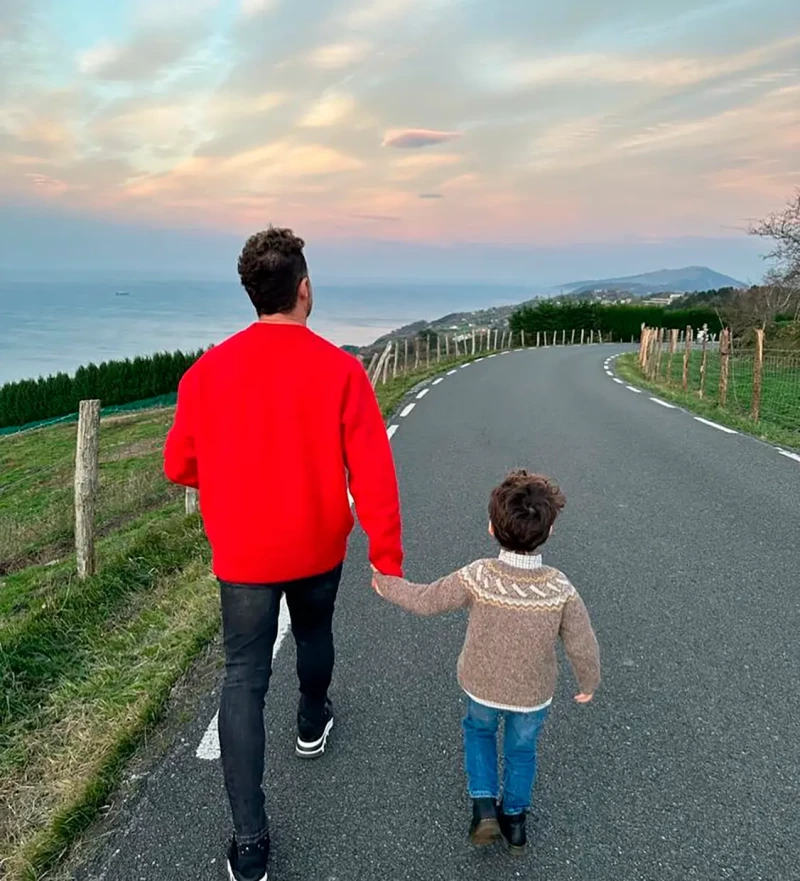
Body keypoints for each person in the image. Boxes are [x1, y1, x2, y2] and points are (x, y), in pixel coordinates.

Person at [164, 227, 403, 881]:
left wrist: (230, 479)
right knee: (316, 629)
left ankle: (249, 843)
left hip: (242, 552)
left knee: (242, 677)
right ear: (305, 289)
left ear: (253, 293)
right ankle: (310, 719)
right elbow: (373, 471)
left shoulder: (206, 373)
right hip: (319, 541)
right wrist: (387, 555)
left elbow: (177, 462)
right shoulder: (341, 370)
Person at [372, 469, 599, 854]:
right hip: (532, 693)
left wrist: (387, 584)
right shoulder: (560, 587)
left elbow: (428, 600)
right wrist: (588, 682)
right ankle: (515, 822)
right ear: (550, 530)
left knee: (479, 733)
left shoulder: (479, 575)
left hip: (481, 683)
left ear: (492, 528)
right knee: (521, 750)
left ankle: (483, 807)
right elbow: (582, 642)